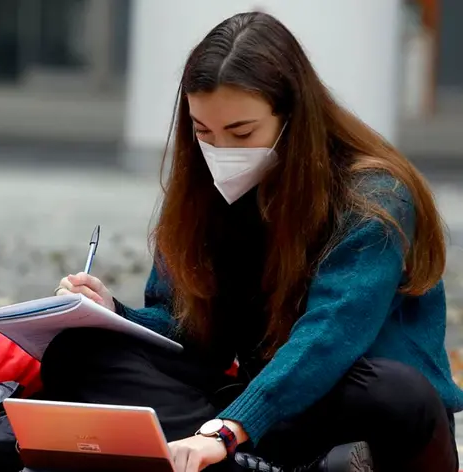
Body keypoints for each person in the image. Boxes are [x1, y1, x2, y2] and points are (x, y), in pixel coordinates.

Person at [50, 11, 462, 472]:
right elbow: (193, 339)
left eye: (242, 133)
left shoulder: (374, 195)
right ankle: (236, 461)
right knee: (80, 350)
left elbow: (329, 336)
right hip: (254, 414)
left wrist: (228, 429)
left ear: (294, 116)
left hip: (350, 403)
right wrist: (112, 315)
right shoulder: (202, 191)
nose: (221, 151)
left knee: (394, 390)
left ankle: (225, 455)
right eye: (203, 132)